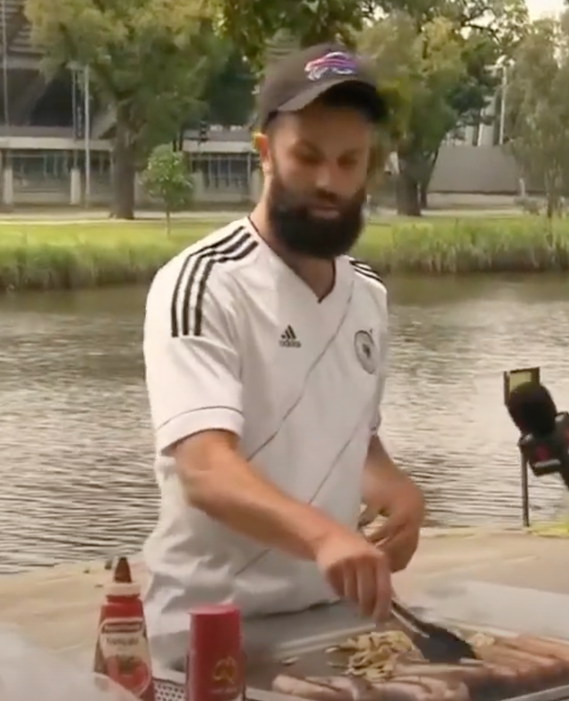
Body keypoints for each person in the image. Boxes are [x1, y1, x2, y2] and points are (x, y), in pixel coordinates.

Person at [139, 44, 426, 659]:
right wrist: (324, 536)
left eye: (350, 161)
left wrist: (396, 488)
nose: (330, 181)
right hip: (207, 627)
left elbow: (356, 435)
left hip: (333, 622)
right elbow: (205, 468)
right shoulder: (202, 283)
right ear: (266, 154)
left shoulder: (368, 295)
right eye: (308, 157)